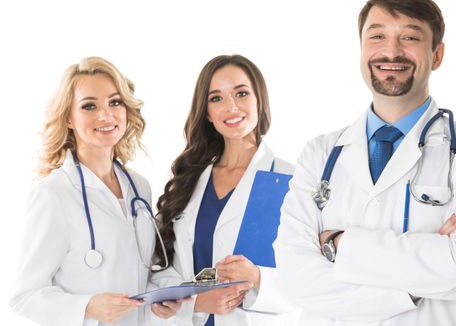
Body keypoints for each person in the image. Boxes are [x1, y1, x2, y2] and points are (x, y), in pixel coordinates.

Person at [274, 0, 456, 326]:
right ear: (362, 49)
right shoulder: (320, 153)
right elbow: (295, 280)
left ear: (437, 55)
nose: (391, 51)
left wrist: (339, 245)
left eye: (410, 37)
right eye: (377, 36)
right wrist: (411, 289)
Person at [10, 57, 185, 326]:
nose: (106, 115)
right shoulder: (53, 194)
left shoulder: (139, 186)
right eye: (89, 106)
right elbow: (25, 296)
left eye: (115, 102)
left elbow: (143, 268)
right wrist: (87, 306)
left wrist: (166, 294)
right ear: (69, 117)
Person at [151, 54, 300, 325]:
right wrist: (196, 301)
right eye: (216, 98)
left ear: (259, 100)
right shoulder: (188, 182)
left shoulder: (292, 180)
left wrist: (257, 278)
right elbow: (160, 267)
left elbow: (313, 277)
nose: (231, 107)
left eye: (241, 93)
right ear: (207, 113)